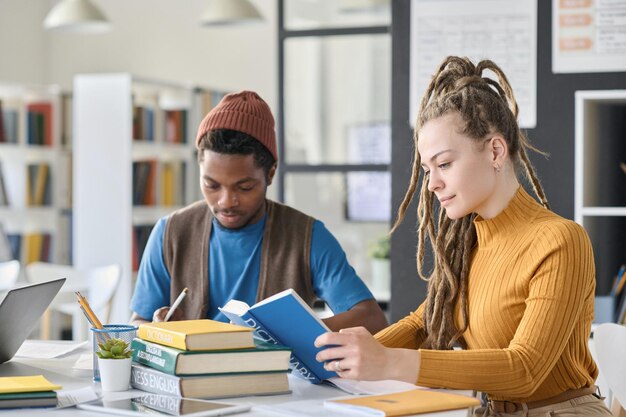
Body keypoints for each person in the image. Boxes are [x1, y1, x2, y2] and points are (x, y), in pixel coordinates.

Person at [315, 56, 611, 416]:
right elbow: (423, 323)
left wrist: (389, 362)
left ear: (495, 151)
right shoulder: (467, 243)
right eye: (427, 169)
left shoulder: (561, 241)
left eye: (444, 164)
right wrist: (335, 356)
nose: (432, 183)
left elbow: (525, 369)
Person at [129, 90, 387, 335]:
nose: (226, 201)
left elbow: (371, 319)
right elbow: (138, 322)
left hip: (278, 380)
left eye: (244, 187)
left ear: (270, 173)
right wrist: (156, 328)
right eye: (211, 185)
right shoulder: (170, 233)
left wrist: (291, 332)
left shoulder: (307, 237)